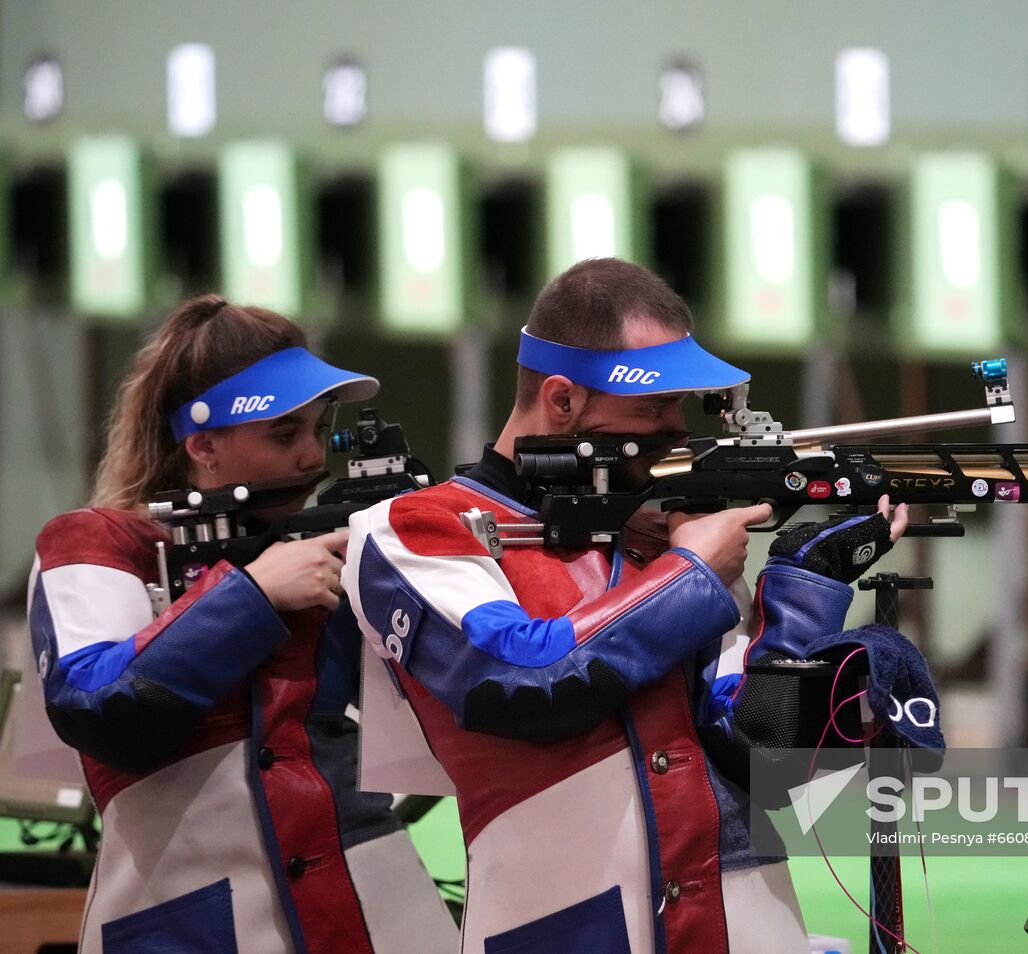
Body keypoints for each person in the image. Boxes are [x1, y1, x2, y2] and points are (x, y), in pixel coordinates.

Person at [344, 258, 940, 953]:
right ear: (562, 400)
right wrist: (690, 573)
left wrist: (805, 587)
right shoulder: (411, 526)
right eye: (653, 406)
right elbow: (514, 680)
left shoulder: (663, 537)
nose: (676, 429)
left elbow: (762, 758)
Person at [26, 295, 458, 954]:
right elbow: (96, 706)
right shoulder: (95, 542)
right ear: (202, 445)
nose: (312, 456)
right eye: (284, 435)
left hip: (368, 894)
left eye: (320, 428)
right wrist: (253, 594)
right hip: (186, 913)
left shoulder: (320, 546)